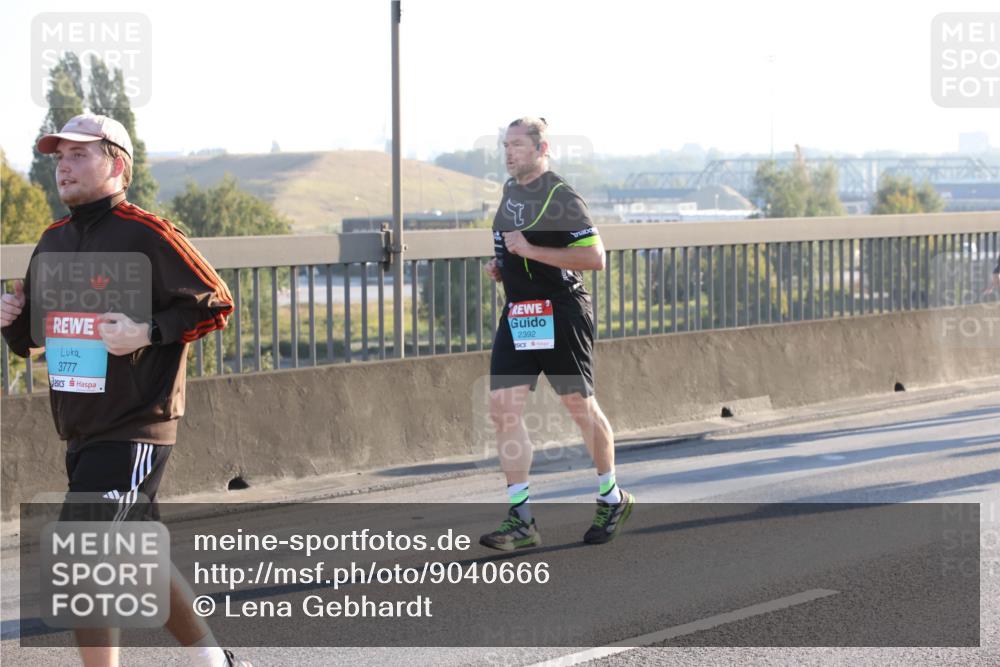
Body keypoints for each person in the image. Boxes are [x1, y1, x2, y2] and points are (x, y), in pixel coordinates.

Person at [0, 114, 249, 667]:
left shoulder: (147, 233)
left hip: (137, 421)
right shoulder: (53, 241)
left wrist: (147, 330)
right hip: (80, 424)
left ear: (116, 164)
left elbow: (215, 303)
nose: (63, 165)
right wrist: (12, 319)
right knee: (136, 554)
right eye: (59, 156)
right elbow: (33, 339)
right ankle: (216, 662)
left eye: (80, 154)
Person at [479, 117, 634, 551]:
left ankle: (611, 497)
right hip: (521, 313)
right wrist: (501, 269)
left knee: (579, 407)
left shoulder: (561, 196)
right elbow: (512, 252)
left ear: (541, 148)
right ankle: (521, 519)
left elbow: (595, 257)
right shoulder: (510, 194)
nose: (508, 153)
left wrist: (529, 251)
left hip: (561, 312)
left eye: (516, 145)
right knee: (502, 409)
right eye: (505, 146)